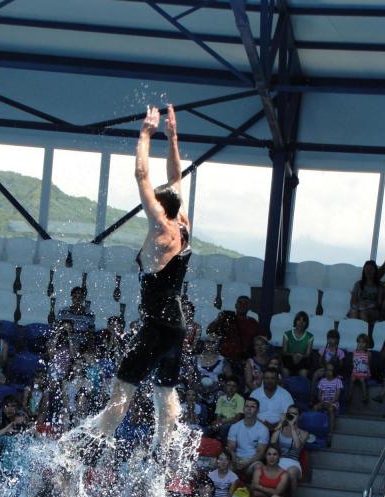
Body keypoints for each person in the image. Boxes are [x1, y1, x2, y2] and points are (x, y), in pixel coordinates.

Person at [76, 104, 191, 461]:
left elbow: (142, 174)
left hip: (157, 325)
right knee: (164, 391)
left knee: (122, 390)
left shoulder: (160, 228)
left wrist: (145, 134)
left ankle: (89, 441)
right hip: (177, 326)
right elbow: (175, 179)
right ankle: (165, 449)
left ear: (159, 208)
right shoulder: (183, 223)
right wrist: (172, 139)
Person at [270, 404, 309, 497]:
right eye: (289, 413)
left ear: (299, 416)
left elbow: (297, 446)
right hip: (279, 460)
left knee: (291, 473)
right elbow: (272, 443)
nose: (292, 416)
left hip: (293, 462)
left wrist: (292, 427)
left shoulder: (304, 433)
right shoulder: (281, 428)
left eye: (295, 414)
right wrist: (281, 423)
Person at [207, 296, 264, 360]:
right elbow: (209, 331)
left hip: (243, 359)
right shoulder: (226, 319)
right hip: (225, 358)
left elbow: (260, 339)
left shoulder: (253, 323)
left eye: (245, 303)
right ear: (236, 305)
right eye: (240, 303)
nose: (242, 305)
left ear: (249, 307)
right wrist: (218, 319)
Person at [227, 396, 269, 474]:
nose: (249, 409)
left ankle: (253, 486)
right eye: (247, 406)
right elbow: (231, 448)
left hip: (252, 461)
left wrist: (247, 463)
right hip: (236, 459)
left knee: (259, 467)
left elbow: (260, 453)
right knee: (225, 465)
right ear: (243, 409)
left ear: (258, 410)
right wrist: (235, 461)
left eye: (253, 406)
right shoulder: (235, 427)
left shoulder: (263, 429)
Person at [250, 368, 294, 432]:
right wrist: (263, 424)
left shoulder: (285, 394)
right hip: (258, 427)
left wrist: (278, 424)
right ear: (263, 379)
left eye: (272, 378)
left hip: (281, 428)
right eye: (267, 378)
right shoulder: (255, 394)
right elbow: (249, 413)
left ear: (277, 380)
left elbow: (291, 415)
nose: (269, 381)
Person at [311, 329, 345, 400]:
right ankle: (312, 396)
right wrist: (325, 367)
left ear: (337, 340)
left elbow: (341, 366)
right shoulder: (323, 350)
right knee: (315, 374)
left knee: (336, 377)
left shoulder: (340, 352)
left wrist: (334, 364)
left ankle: (334, 399)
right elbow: (320, 362)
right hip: (324, 369)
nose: (330, 340)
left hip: (334, 371)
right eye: (329, 338)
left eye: (332, 338)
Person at [207, 377, 244, 441]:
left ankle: (220, 445)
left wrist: (221, 422)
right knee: (205, 430)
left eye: (233, 386)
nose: (231, 388)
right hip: (221, 422)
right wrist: (217, 423)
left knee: (223, 428)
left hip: (233, 424)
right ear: (225, 386)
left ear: (237, 388)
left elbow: (237, 418)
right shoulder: (221, 399)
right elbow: (218, 415)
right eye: (229, 385)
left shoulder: (240, 399)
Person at [314, 362, 344, 442]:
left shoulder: (338, 381)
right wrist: (322, 401)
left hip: (334, 402)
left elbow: (337, 395)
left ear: (334, 371)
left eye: (330, 370)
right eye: (327, 370)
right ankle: (315, 430)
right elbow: (319, 395)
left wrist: (330, 402)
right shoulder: (322, 381)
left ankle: (330, 433)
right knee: (315, 407)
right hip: (323, 401)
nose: (328, 372)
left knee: (330, 409)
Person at [348, 260, 383, 324]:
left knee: (363, 313)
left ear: (375, 271)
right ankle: (354, 332)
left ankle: (365, 332)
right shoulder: (358, 284)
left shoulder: (379, 285)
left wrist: (368, 306)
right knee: (354, 312)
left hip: (373, 310)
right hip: (359, 307)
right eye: (366, 269)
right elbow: (352, 302)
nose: (368, 271)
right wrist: (359, 306)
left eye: (371, 269)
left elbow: (379, 304)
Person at [281, 311, 314, 377]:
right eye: (299, 320)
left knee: (303, 373)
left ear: (306, 323)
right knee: (285, 371)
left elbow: (308, 354)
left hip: (302, 360)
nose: (301, 323)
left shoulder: (310, 336)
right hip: (289, 359)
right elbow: (284, 352)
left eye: (304, 320)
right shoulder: (287, 334)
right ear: (295, 321)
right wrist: (293, 355)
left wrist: (300, 356)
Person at [347, 333, 372, 406]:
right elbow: (353, 362)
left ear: (367, 344)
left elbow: (369, 363)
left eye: (363, 342)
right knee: (352, 379)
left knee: (361, 379)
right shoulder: (354, 352)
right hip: (356, 371)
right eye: (359, 342)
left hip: (364, 372)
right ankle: (349, 396)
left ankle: (365, 396)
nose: (361, 344)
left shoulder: (368, 353)